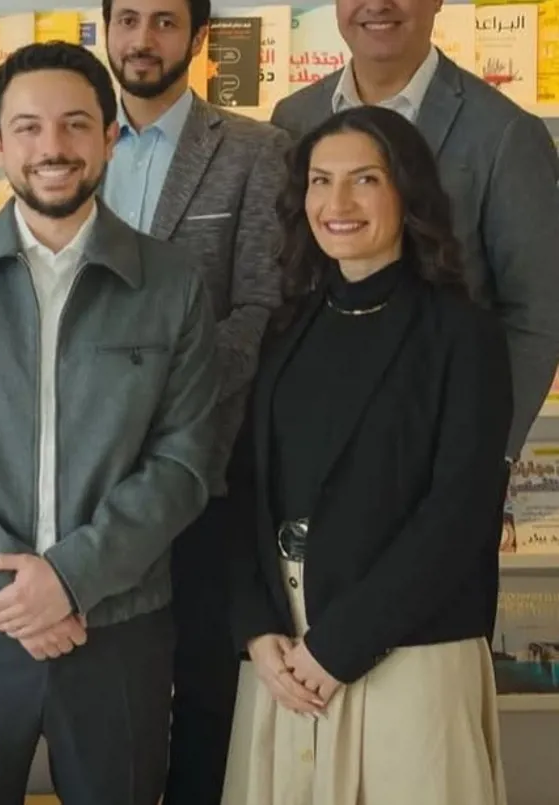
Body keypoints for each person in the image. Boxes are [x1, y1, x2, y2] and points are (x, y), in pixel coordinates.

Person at [0, 42, 219, 805]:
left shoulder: (171, 283)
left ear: (109, 137)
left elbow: (183, 460)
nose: (52, 147)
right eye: (28, 127)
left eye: (74, 124)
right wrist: (9, 592)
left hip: (117, 621)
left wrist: (70, 578)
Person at [223, 105, 511, 805]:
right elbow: (247, 487)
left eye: (365, 179)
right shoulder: (290, 324)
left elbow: (459, 512)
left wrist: (339, 645)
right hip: (285, 659)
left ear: (407, 192)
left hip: (405, 652)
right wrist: (256, 627)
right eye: (320, 181)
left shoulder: (461, 333)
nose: (337, 203)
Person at [98, 1, 288, 802]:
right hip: (89, 476)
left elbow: (262, 307)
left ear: (198, 37)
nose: (143, 39)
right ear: (105, 29)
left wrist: (158, 396)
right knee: (105, 689)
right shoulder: (70, 137)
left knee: (206, 684)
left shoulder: (255, 149)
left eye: (164, 21)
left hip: (205, 465)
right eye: (127, 19)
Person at [271, 0, 559, 464]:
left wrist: (488, 456)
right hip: (315, 434)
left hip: (439, 444)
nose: (377, 4)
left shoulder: (505, 133)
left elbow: (538, 313)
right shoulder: (293, 118)